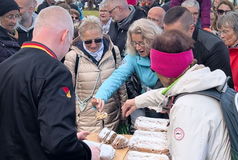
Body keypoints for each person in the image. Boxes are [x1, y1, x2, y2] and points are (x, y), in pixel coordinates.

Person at [0, 6, 99, 160]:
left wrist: (69, 137)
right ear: (65, 36)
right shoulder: (55, 72)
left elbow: (22, 123)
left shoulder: (6, 65)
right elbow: (58, 144)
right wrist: (87, 153)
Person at [121, 30, 231, 160]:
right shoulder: (199, 81)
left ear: (166, 70)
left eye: (154, 68)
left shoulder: (187, 108)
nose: (155, 73)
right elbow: (167, 93)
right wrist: (136, 102)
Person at [93, 18, 164, 130]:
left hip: (167, 103)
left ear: (152, 40)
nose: (137, 47)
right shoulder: (133, 57)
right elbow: (116, 77)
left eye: (141, 43)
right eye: (134, 43)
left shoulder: (166, 53)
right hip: (145, 103)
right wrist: (100, 96)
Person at [64, 16, 127, 133]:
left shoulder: (114, 51)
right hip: (85, 120)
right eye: (88, 41)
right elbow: (67, 89)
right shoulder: (72, 56)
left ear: (103, 35)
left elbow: (120, 82)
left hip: (111, 116)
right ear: (81, 38)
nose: (93, 45)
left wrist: (124, 106)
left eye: (98, 40)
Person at [163, 7, 233, 86]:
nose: (170, 38)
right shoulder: (166, 41)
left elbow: (220, 85)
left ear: (191, 28)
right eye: (167, 33)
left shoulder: (214, 47)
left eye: (176, 34)